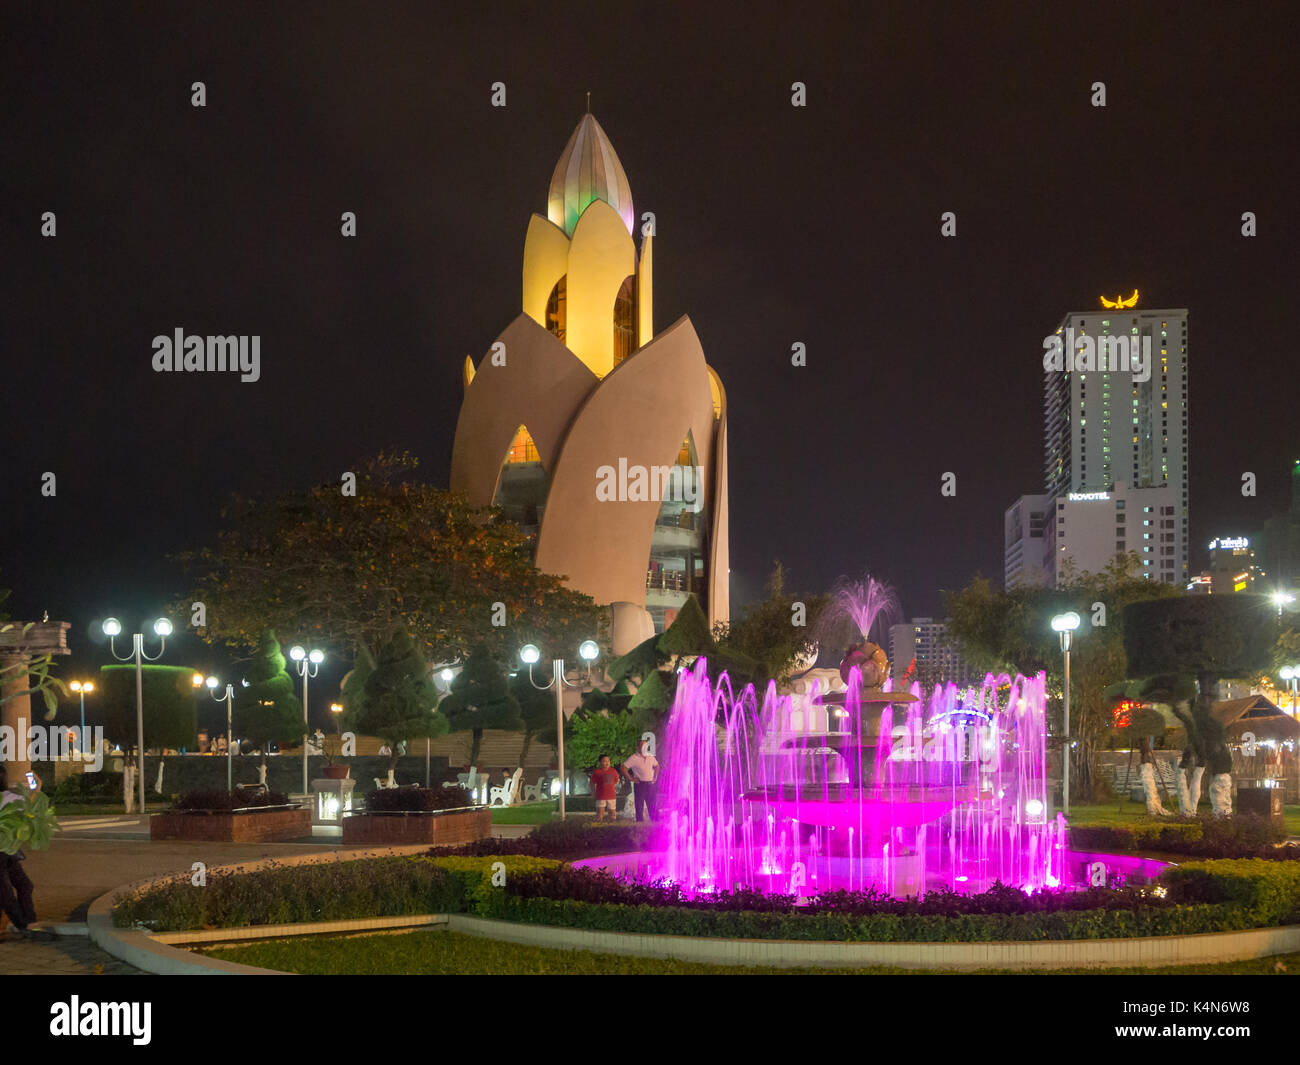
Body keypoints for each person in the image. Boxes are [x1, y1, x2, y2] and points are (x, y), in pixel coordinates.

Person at [0, 767, 39, 936]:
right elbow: (31, 803)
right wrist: (35, 785)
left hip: (7, 853)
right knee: (7, 895)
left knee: (22, 886)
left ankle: (28, 922)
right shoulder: (10, 799)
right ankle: (24, 924)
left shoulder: (9, 798)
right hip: (5, 853)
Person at [621, 741, 659, 823]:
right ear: (638, 747)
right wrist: (631, 778)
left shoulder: (650, 756)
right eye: (642, 746)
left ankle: (655, 822)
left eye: (645, 746)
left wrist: (655, 776)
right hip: (640, 784)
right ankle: (640, 824)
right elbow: (623, 767)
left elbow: (657, 766)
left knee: (652, 804)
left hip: (650, 784)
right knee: (639, 805)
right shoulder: (634, 757)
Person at [590, 755, 620, 822]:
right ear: (600, 762)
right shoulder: (597, 772)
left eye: (608, 761)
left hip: (611, 796)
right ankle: (599, 829)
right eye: (604, 761)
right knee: (599, 815)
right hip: (600, 796)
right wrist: (593, 793)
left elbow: (617, 781)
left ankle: (612, 829)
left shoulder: (613, 771)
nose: (607, 763)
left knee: (612, 815)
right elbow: (592, 783)